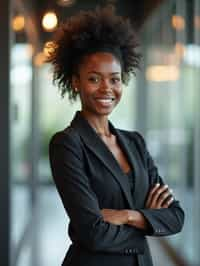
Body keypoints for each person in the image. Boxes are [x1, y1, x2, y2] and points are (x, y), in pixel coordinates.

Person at [48, 5, 184, 266]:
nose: (106, 88)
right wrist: (149, 220)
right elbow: (94, 233)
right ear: (76, 81)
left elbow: (175, 216)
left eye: (114, 79)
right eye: (94, 79)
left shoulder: (135, 142)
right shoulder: (67, 144)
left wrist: (127, 216)